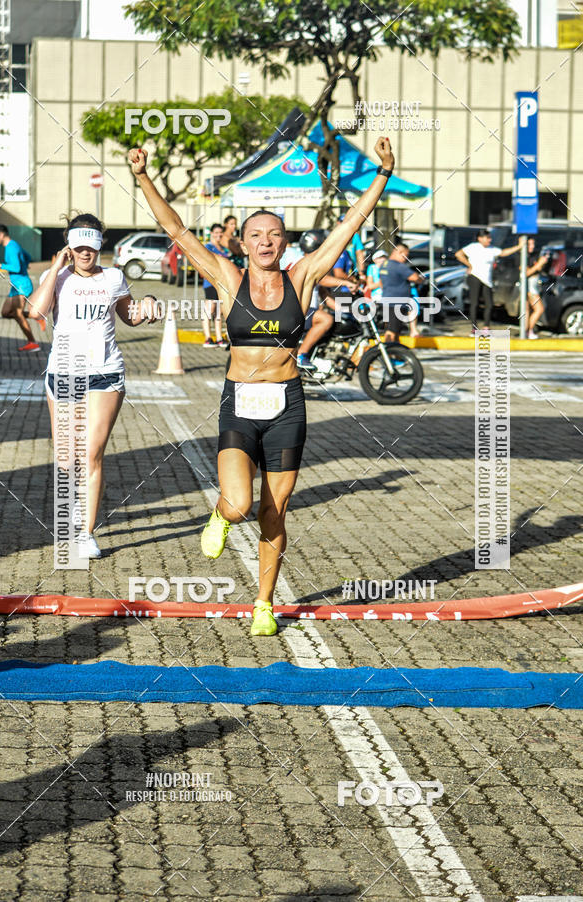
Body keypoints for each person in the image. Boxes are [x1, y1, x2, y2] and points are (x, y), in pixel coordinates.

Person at [128, 137, 396, 636]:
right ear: (244, 242)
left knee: (277, 509)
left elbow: (349, 226)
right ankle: (219, 515)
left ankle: (263, 602)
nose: (266, 242)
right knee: (239, 504)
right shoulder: (228, 277)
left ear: (285, 241)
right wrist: (143, 177)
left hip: (287, 405)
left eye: (274, 234)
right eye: (257, 235)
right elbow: (177, 230)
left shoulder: (303, 277)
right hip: (239, 404)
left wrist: (382, 173)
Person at [27, 213, 158, 559]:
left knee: (90, 455)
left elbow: (129, 315)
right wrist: (55, 268)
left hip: (105, 373)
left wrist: (148, 307)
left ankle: (85, 533)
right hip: (65, 372)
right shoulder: (55, 277)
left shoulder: (114, 277)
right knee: (67, 457)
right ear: (70, 245)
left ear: (101, 246)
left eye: (92, 247)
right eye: (79, 247)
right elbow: (35, 313)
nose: (85, 254)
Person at [295, 240, 359, 369]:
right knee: (326, 319)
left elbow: (324, 295)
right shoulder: (305, 263)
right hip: (297, 310)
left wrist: (344, 311)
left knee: (337, 321)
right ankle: (301, 355)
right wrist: (346, 283)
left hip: (308, 311)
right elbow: (322, 280)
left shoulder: (314, 265)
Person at [455, 229, 524, 334]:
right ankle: (474, 327)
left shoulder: (492, 249)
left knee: (489, 303)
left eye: (490, 238)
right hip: (475, 276)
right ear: (480, 239)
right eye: (487, 238)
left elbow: (503, 252)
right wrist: (469, 265)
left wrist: (519, 246)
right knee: (474, 302)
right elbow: (458, 254)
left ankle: (486, 326)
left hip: (487, 280)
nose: (489, 240)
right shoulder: (473, 247)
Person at [0, 224, 40, 352]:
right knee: (6, 313)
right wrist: (25, 264)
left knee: (18, 314)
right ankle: (36, 316)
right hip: (15, 286)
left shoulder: (11, 247)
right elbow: (28, 256)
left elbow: (17, 268)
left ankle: (33, 343)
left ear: (1, 234)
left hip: (22, 285)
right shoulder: (13, 245)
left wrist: (0, 265)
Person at [379, 243, 424, 342]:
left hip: (387, 300)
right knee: (391, 331)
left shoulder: (384, 264)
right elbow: (415, 278)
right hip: (396, 303)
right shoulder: (398, 266)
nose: (406, 259)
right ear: (399, 252)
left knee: (395, 330)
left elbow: (381, 282)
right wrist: (421, 279)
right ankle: (388, 352)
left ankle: (396, 353)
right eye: (405, 256)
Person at [202, 223, 229, 348]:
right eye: (216, 232)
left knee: (219, 311)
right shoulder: (208, 247)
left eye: (220, 232)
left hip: (222, 283)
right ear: (211, 233)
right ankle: (207, 337)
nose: (218, 235)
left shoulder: (224, 249)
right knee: (210, 309)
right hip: (211, 282)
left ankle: (219, 337)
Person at [525, 238, 548, 339]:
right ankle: (528, 331)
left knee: (527, 310)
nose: (532, 246)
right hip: (529, 287)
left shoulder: (533, 255)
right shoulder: (522, 257)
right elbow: (526, 273)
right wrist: (539, 264)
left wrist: (542, 263)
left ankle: (527, 331)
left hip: (534, 285)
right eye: (529, 244)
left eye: (533, 244)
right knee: (539, 309)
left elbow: (537, 269)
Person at [338, 214, 366, 280]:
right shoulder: (335, 236)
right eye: (342, 222)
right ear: (338, 223)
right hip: (338, 269)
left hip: (351, 270)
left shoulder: (355, 236)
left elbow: (360, 254)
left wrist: (361, 272)